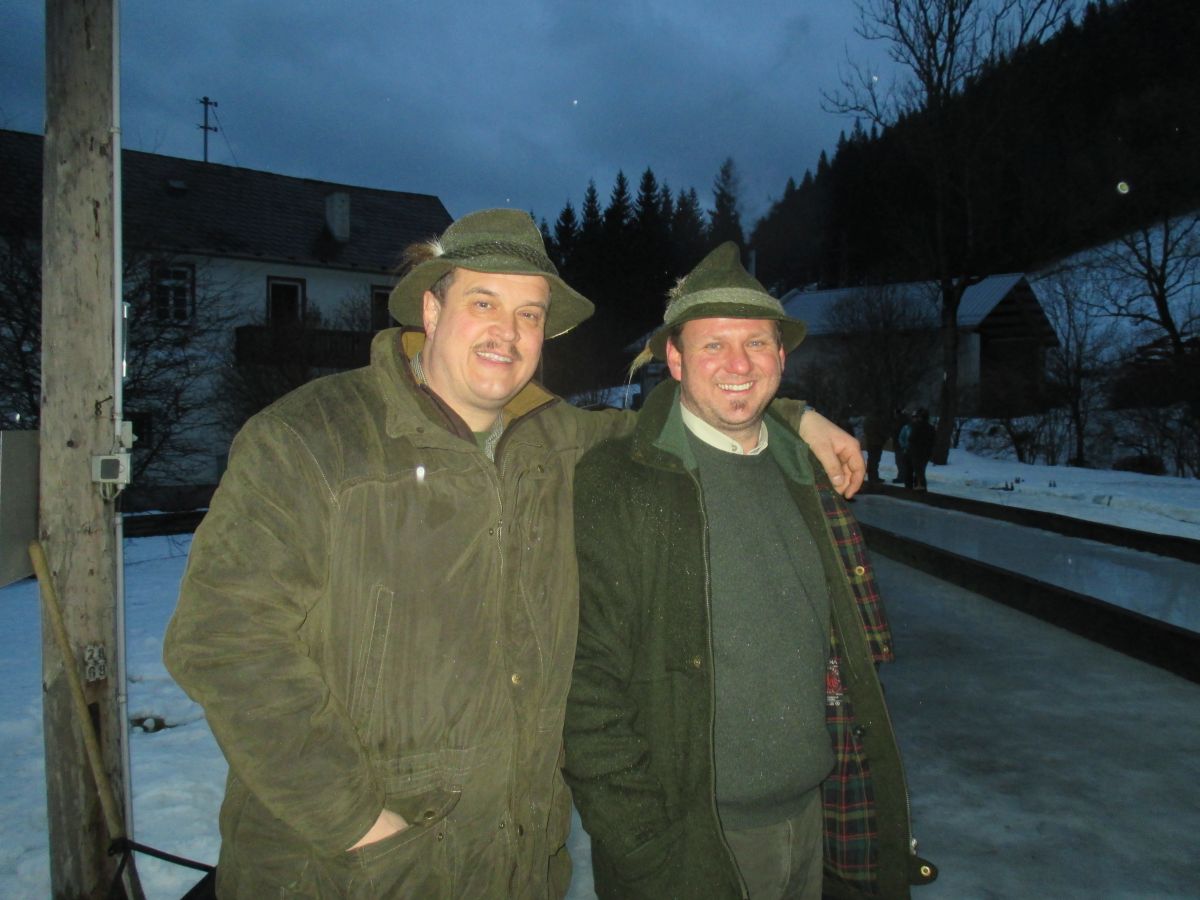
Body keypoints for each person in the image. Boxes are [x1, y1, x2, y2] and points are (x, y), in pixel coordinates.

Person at [162, 210, 865, 898]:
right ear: (431, 309)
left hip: (516, 861)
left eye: (530, 313)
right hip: (347, 870)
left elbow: (692, 416)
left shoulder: (560, 441)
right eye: (484, 302)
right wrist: (357, 825)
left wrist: (791, 415)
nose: (508, 331)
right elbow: (223, 641)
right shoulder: (310, 439)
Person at [563, 243, 936, 899]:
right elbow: (588, 690)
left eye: (757, 343)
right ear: (675, 358)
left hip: (820, 821)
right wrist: (644, 850)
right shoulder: (620, 482)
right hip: (691, 840)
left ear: (781, 358)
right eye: (713, 345)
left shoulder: (806, 475)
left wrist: (800, 417)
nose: (739, 365)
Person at [905, 408, 936, 491]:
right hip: (926, 453)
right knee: (921, 471)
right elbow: (934, 441)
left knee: (914, 471)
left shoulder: (917, 426)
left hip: (915, 452)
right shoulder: (931, 428)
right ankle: (920, 487)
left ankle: (917, 488)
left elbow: (911, 438)